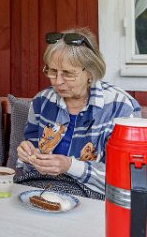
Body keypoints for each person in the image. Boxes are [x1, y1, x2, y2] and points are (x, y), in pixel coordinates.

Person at [16, 27, 141, 199]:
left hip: (92, 198)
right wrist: (28, 155)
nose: (58, 81)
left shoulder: (120, 107)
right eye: (52, 71)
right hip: (40, 188)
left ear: (90, 71)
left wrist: (69, 166)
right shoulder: (42, 101)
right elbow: (30, 156)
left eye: (68, 73)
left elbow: (127, 176)